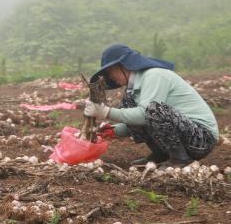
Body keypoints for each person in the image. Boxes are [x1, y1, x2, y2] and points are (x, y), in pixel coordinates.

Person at [85, 43, 219, 167]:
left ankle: (180, 159)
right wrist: (114, 131)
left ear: (122, 65)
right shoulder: (135, 87)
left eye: (110, 71)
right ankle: (161, 153)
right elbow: (138, 120)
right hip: (185, 134)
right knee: (130, 104)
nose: (110, 77)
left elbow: (145, 114)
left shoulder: (154, 75)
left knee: (153, 109)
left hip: (201, 139)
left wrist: (105, 112)